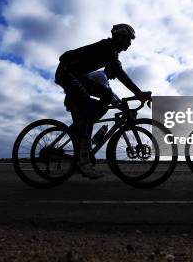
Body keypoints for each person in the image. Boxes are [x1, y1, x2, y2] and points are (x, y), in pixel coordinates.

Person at [55, 24, 151, 179]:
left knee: (103, 98)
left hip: (77, 76)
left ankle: (82, 132)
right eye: (128, 40)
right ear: (119, 37)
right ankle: (83, 160)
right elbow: (121, 75)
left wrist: (124, 104)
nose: (129, 45)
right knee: (89, 113)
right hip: (66, 72)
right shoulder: (107, 48)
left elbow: (112, 92)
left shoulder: (111, 53)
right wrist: (138, 94)